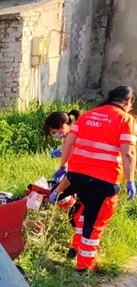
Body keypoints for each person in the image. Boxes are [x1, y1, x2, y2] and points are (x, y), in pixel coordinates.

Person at [53, 86, 136, 271]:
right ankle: (84, 268)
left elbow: (68, 142)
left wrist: (62, 167)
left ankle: (74, 250)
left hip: (77, 177)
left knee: (83, 214)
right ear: (128, 102)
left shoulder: (88, 115)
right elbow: (128, 153)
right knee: (95, 222)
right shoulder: (126, 119)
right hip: (104, 180)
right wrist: (131, 180)